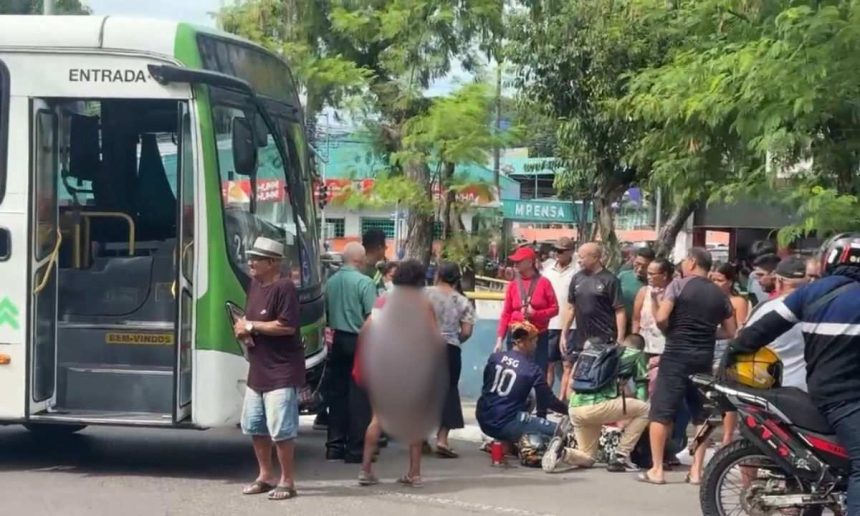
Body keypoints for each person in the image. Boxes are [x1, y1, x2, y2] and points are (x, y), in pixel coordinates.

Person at [727, 234, 860, 514]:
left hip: (818, 391)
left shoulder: (811, 292)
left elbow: (763, 329)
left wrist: (734, 351)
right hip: (847, 399)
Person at [640, 247, 737, 486]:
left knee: (661, 412)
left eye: (684, 261)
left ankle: (657, 469)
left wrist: (669, 329)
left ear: (692, 262)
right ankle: (696, 471)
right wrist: (707, 334)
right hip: (703, 358)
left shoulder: (678, 285)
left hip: (675, 355)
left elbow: (662, 318)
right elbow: (730, 331)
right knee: (701, 414)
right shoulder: (719, 294)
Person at [356, 260, 438, 487]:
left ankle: (365, 470)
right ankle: (414, 473)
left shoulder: (383, 300)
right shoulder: (422, 303)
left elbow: (365, 330)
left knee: (377, 418)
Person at [234, 237, 303, 501]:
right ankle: (265, 476)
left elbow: (286, 326)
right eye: (250, 257)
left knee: (281, 430)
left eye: (256, 258)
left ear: (272, 262)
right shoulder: (255, 285)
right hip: (258, 369)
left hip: (281, 371)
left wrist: (251, 326)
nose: (250, 262)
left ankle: (287, 480)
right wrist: (243, 328)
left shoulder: (284, 287)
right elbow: (250, 319)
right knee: (255, 425)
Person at [542, 334, 650, 474]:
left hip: (575, 408)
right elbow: (642, 387)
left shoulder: (593, 352)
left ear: (623, 342)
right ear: (641, 348)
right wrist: (636, 410)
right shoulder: (637, 355)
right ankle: (620, 457)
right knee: (645, 410)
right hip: (599, 406)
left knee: (588, 457)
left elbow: (573, 382)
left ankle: (562, 452)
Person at [324, 242, 378, 463]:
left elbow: (326, 312)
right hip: (359, 341)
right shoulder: (365, 283)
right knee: (359, 396)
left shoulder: (331, 282)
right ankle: (355, 449)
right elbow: (372, 317)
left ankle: (334, 446)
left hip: (337, 339)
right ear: (359, 260)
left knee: (337, 394)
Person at [478, 321, 569, 444]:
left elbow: (486, 386)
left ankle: (501, 441)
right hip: (506, 424)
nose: (535, 346)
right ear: (525, 342)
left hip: (483, 418)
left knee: (529, 398)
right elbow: (548, 400)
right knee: (559, 431)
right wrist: (569, 411)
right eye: (534, 342)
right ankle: (512, 439)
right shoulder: (531, 369)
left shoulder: (495, 358)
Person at [560, 242, 626, 399]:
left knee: (597, 379)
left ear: (595, 257)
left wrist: (620, 338)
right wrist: (564, 333)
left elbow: (620, 310)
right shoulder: (577, 278)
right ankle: (568, 407)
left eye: (582, 257)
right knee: (573, 377)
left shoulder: (610, 280)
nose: (579, 260)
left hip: (604, 340)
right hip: (581, 338)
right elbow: (571, 308)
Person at [426, 261, 476, 458]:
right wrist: (454, 340)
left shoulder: (424, 294)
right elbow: (467, 331)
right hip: (450, 349)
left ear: (438, 274)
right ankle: (442, 439)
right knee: (449, 391)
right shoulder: (462, 301)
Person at [495, 246, 559, 386]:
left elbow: (555, 309)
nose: (515, 264)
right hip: (516, 335)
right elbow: (506, 313)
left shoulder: (544, 283)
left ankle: (538, 399)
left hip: (537, 336)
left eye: (519, 261)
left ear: (530, 262)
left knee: (537, 372)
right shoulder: (513, 285)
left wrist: (536, 314)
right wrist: (500, 339)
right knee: (515, 372)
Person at [742, 256, 808, 390]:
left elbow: (743, 343)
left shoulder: (764, 309)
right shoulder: (821, 309)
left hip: (772, 387)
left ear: (779, 281)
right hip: (809, 388)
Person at [543, 237, 579, 391]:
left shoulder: (578, 270)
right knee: (548, 364)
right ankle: (545, 399)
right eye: (556, 250)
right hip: (550, 323)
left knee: (568, 364)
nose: (557, 253)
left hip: (572, 325)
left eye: (561, 251)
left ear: (571, 252)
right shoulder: (547, 270)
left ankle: (563, 400)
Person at [632, 258, 673, 356]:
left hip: (664, 347)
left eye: (651, 274)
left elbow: (663, 321)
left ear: (664, 275)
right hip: (644, 344)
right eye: (648, 273)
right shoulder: (644, 291)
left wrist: (655, 300)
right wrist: (634, 343)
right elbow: (636, 319)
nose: (648, 277)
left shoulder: (673, 294)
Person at [618, 247, 655, 334]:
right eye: (637, 264)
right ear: (634, 260)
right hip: (619, 325)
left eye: (645, 266)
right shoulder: (623, 276)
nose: (640, 269)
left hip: (641, 328)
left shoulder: (653, 282)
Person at [362, 229, 389, 295]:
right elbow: (381, 296)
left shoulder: (355, 268)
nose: (386, 248)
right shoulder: (374, 274)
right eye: (385, 246)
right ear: (380, 248)